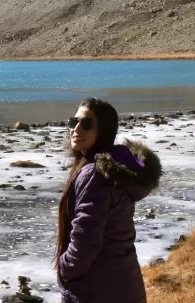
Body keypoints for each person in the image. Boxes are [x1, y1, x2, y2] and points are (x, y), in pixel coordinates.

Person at [55, 98, 162, 303]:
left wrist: (64, 269)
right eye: (72, 121)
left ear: (102, 131)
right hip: (124, 284)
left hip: (95, 291)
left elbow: (85, 242)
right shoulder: (117, 170)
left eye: (86, 124)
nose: (76, 129)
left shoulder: (94, 175)